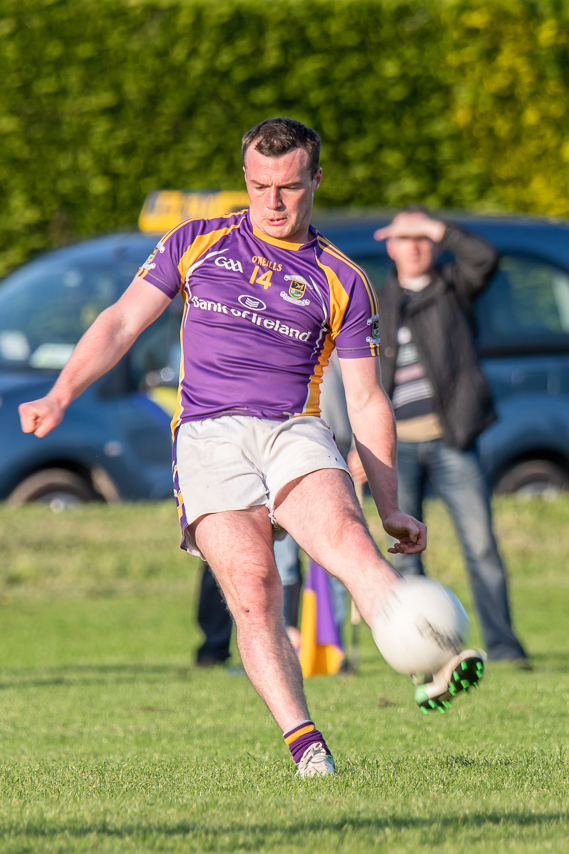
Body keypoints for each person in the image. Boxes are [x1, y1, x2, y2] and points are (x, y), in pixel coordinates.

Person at [18, 119, 480, 780]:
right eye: (261, 186)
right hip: (207, 438)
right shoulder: (197, 241)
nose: (273, 202)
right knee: (253, 588)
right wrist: (61, 394)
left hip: (292, 428)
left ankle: (436, 661)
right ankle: (307, 747)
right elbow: (120, 319)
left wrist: (389, 505)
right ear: (245, 179)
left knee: (349, 544)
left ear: (314, 181)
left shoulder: (340, 277)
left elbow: (369, 398)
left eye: (288, 187)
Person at [350, 207, 527, 664]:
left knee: (482, 546)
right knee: (405, 553)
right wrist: (360, 445)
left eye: (422, 238)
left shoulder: (454, 288)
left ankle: (504, 645)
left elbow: (484, 257)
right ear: (389, 247)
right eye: (405, 238)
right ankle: (421, 649)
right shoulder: (378, 301)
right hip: (395, 449)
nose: (415, 246)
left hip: (452, 441)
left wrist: (434, 226)